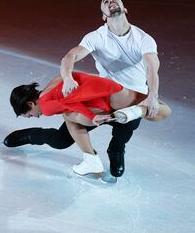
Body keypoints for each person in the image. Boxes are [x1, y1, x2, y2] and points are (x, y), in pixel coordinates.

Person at [4, 0, 165, 178]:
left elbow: (152, 69)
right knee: (62, 138)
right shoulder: (97, 37)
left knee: (123, 134)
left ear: (125, 9)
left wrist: (152, 96)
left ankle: (116, 151)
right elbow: (69, 57)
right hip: (100, 96)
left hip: (131, 98)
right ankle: (30, 136)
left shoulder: (144, 39)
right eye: (105, 1)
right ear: (104, 16)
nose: (110, 1)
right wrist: (68, 78)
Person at [10, 72, 171, 176]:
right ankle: (28, 135)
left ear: (31, 104)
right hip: (107, 101)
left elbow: (70, 105)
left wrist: (92, 116)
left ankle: (111, 152)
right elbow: (74, 96)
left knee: (124, 129)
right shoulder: (56, 81)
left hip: (107, 104)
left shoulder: (46, 105)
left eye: (30, 115)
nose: (35, 117)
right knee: (61, 139)